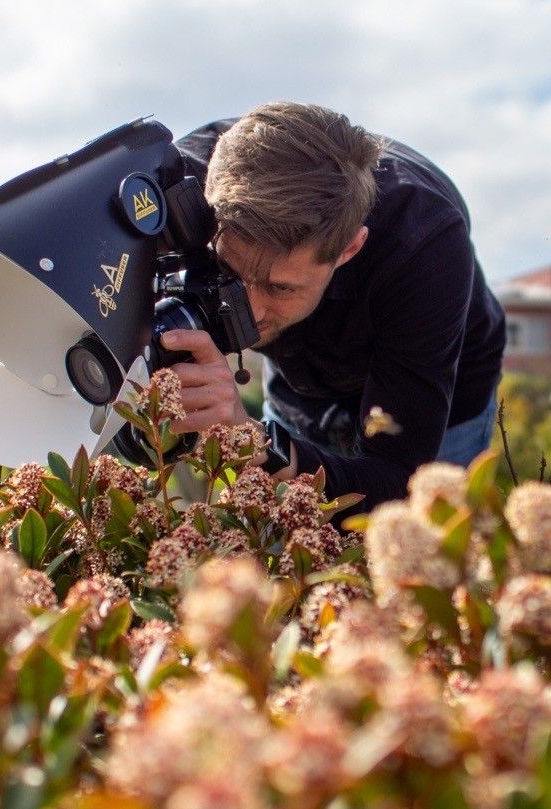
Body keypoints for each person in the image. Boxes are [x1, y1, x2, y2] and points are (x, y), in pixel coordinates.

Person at [161, 102, 505, 512]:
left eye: (280, 288)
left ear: (349, 249)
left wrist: (254, 442)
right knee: (282, 558)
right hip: (300, 390)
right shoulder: (187, 180)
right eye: (229, 273)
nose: (250, 315)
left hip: (436, 409)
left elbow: (395, 481)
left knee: (410, 556)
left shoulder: (424, 243)